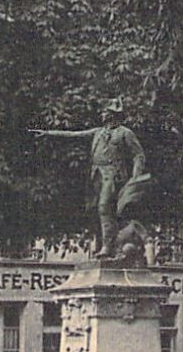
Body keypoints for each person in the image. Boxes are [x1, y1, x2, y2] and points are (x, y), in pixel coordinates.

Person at [32, 99, 147, 259]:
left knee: (104, 207)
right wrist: (48, 133)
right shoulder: (98, 132)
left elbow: (138, 155)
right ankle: (110, 244)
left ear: (113, 115)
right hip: (97, 175)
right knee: (99, 211)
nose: (102, 114)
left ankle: (108, 247)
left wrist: (135, 176)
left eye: (105, 111)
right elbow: (74, 135)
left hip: (113, 175)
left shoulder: (125, 133)